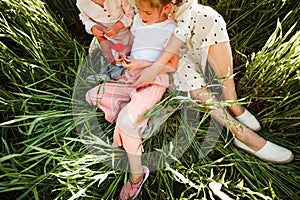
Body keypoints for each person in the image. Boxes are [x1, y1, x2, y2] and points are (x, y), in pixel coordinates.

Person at [124, 0, 294, 164]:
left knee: (210, 18)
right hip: (156, 41)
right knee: (181, 65)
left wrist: (154, 69)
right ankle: (242, 134)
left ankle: (232, 100)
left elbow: (183, 28)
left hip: (179, 25)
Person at [85, 0, 178, 199]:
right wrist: (121, 52)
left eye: (147, 12)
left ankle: (137, 176)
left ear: (166, 8)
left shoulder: (171, 28)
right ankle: (137, 116)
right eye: (139, 10)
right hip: (130, 76)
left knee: (125, 123)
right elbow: (131, 45)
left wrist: (142, 64)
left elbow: (172, 66)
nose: (142, 16)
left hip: (153, 80)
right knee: (91, 95)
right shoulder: (137, 19)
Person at [76, 0, 135, 82]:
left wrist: (118, 26)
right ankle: (106, 74)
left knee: (125, 54)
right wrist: (93, 27)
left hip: (125, 33)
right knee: (107, 56)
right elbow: (85, 18)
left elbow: (130, 13)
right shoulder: (82, 3)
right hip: (105, 37)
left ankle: (122, 73)